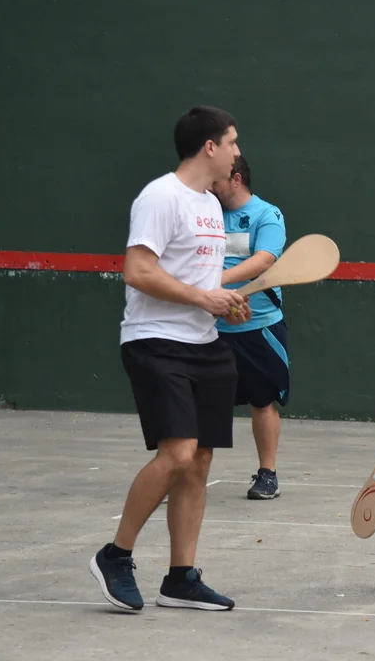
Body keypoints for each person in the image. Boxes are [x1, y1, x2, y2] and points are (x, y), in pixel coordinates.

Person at [89, 106, 251, 613]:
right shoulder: (161, 196)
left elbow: (199, 279)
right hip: (156, 341)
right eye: (232, 142)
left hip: (206, 344)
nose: (237, 152)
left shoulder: (210, 205)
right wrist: (204, 298)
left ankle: (181, 578)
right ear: (209, 146)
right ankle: (115, 555)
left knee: (199, 462)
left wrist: (224, 301)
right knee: (178, 453)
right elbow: (138, 271)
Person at [211, 155, 290, 500]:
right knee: (199, 403)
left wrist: (216, 281)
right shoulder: (206, 214)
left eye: (217, 180)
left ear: (237, 179)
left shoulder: (266, 214)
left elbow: (264, 260)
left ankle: (267, 475)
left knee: (262, 401)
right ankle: (183, 473)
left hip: (259, 327)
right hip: (209, 327)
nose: (210, 186)